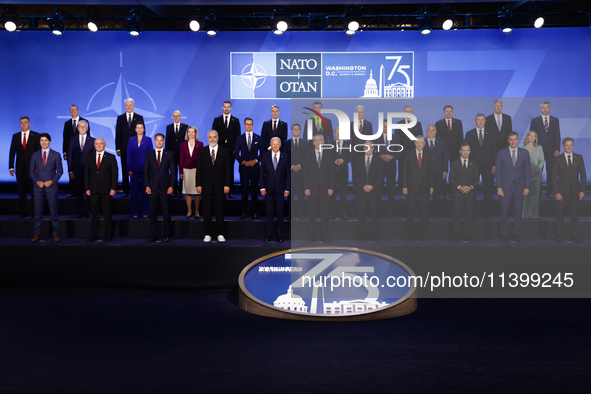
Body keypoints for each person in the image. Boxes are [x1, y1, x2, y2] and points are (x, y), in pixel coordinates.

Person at [196, 130, 233, 243]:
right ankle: (207, 233)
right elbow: (199, 170)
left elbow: (228, 169)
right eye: (210, 137)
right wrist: (198, 184)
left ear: (217, 138)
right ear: (207, 138)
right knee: (206, 211)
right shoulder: (202, 151)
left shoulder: (224, 151)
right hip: (206, 187)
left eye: (214, 137)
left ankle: (220, 233)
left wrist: (227, 184)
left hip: (220, 187)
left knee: (220, 211)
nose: (212, 139)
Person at [495, 132, 531, 243]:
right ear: (508, 140)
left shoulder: (524, 153)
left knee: (518, 213)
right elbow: (498, 172)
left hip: (519, 187)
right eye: (511, 139)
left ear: (518, 139)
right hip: (505, 187)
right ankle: (504, 234)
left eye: (515, 139)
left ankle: (517, 234)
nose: (513, 141)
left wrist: (527, 187)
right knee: (504, 212)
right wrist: (499, 187)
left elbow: (528, 171)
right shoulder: (501, 153)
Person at [29, 133, 63, 242]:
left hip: (51, 187)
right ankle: (37, 234)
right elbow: (31, 171)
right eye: (41, 140)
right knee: (38, 212)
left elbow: (60, 171)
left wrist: (52, 181)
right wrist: (36, 181)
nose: (43, 142)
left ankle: (55, 234)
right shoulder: (35, 155)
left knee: (54, 212)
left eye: (46, 140)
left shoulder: (56, 155)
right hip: (38, 187)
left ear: (50, 142)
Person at [303, 133, 336, 243]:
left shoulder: (329, 155)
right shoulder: (308, 155)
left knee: (324, 214)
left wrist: (331, 187)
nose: (317, 142)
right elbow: (305, 173)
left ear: (323, 141)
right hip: (311, 189)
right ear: (313, 142)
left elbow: (332, 173)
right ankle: (311, 235)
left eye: (319, 140)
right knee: (312, 214)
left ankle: (324, 235)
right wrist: (306, 187)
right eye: (315, 140)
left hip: (325, 189)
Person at [553, 138, 586, 243]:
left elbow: (583, 175)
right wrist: (556, 192)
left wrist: (582, 190)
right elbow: (553, 177)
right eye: (567, 145)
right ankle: (559, 235)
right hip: (561, 190)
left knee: (574, 213)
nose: (569, 147)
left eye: (571, 145)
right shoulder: (558, 159)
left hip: (575, 190)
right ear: (563, 146)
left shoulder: (579, 157)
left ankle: (574, 235)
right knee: (560, 213)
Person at [401, 136, 433, 241]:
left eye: (421, 143)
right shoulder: (408, 154)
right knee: (410, 211)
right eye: (417, 142)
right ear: (414, 143)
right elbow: (404, 171)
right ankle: (410, 234)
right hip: (411, 187)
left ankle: (423, 234)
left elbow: (431, 172)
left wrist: (431, 186)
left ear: (425, 143)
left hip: (425, 186)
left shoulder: (428, 154)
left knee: (424, 212)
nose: (419, 145)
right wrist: (404, 186)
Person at [85, 138, 118, 242]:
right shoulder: (89, 158)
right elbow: (86, 174)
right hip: (93, 190)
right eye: (97, 144)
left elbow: (115, 174)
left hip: (107, 190)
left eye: (101, 144)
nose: (99, 146)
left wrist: (113, 188)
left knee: (107, 214)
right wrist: (87, 188)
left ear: (105, 145)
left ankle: (107, 235)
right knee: (94, 214)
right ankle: (93, 235)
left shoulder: (111, 157)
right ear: (94, 145)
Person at [464, 114, 497, 218]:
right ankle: (471, 213)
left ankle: (487, 213)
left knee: (488, 190)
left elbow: (494, 150)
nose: (480, 122)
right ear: (475, 121)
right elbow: (466, 151)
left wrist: (494, 164)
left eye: (482, 120)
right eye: (478, 120)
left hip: (488, 165)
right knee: (472, 189)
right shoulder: (469, 134)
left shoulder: (491, 133)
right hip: (473, 166)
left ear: (485, 121)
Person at [144, 133, 175, 243]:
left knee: (166, 212)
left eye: (161, 140)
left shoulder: (169, 154)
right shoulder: (149, 154)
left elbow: (173, 172)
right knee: (152, 212)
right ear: (154, 141)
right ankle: (154, 234)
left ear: (164, 141)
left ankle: (166, 234)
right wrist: (147, 185)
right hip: (152, 188)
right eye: (157, 140)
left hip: (165, 187)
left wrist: (171, 186)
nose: (159, 142)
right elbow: (145, 172)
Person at [259, 137, 290, 242]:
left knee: (281, 213)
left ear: (280, 145)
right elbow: (261, 173)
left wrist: (287, 189)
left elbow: (288, 175)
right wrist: (262, 187)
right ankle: (269, 234)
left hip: (281, 190)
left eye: (277, 144)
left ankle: (280, 235)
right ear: (270, 145)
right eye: (273, 144)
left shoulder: (285, 157)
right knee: (269, 213)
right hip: (268, 189)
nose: (275, 146)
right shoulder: (265, 156)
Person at [9, 116, 41, 218]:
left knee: (33, 191)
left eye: (25, 122)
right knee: (21, 191)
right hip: (20, 169)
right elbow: (12, 152)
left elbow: (39, 153)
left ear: (29, 124)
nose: (23, 124)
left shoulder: (36, 136)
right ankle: (23, 211)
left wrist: (38, 167)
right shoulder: (15, 136)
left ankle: (33, 212)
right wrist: (11, 167)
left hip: (32, 169)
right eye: (21, 122)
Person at [234, 118, 264, 219]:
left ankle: (255, 212)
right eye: (247, 124)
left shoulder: (258, 138)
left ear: (253, 125)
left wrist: (255, 161)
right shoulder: (239, 138)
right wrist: (243, 161)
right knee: (244, 190)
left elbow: (263, 153)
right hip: (244, 168)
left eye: (250, 124)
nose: (248, 126)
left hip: (255, 168)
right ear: (244, 125)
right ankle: (244, 211)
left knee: (255, 191)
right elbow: (236, 153)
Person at [530, 101, 561, 199]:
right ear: (540, 109)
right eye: (543, 108)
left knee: (551, 171)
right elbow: (532, 135)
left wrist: (557, 148)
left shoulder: (555, 120)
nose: (545, 109)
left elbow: (557, 135)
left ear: (550, 108)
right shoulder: (535, 120)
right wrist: (532, 148)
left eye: (547, 107)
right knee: (538, 171)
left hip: (552, 150)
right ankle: (537, 193)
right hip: (538, 150)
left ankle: (550, 192)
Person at [449, 143, 479, 242]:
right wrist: (459, 187)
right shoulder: (454, 163)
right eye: (463, 150)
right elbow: (451, 178)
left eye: (467, 150)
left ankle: (468, 235)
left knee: (469, 215)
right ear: (460, 151)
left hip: (470, 194)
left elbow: (476, 179)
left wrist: (470, 187)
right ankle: (456, 236)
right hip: (457, 194)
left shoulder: (474, 164)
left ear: (470, 151)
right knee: (457, 215)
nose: (465, 152)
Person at [353, 141, 382, 241]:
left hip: (374, 192)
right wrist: (363, 186)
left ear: (373, 148)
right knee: (362, 215)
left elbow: (380, 177)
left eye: (370, 147)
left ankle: (374, 235)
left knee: (375, 215)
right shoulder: (358, 160)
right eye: (366, 147)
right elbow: (355, 176)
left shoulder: (379, 160)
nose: (368, 149)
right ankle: (362, 235)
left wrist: (372, 186)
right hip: (362, 192)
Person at [115, 98, 144, 197]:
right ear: (125, 106)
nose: (129, 107)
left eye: (130, 105)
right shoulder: (120, 118)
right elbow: (118, 134)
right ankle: (126, 190)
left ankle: (136, 189)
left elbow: (143, 133)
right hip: (124, 148)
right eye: (127, 105)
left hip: (137, 148)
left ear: (133, 105)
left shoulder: (139, 117)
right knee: (125, 168)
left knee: (136, 168)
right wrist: (118, 148)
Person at [211, 100, 240, 199]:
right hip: (219, 149)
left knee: (230, 169)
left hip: (231, 150)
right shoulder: (217, 120)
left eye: (228, 107)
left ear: (230, 108)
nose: (226, 108)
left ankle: (230, 191)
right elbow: (213, 135)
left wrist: (236, 150)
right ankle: (219, 189)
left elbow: (238, 137)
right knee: (219, 169)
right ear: (222, 108)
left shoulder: (235, 120)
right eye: (225, 106)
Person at [68, 120, 95, 218]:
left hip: (89, 171)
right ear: (78, 128)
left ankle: (88, 211)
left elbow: (94, 156)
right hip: (76, 170)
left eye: (84, 126)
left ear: (87, 129)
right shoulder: (72, 140)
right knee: (78, 191)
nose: (82, 128)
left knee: (89, 191)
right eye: (80, 126)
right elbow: (70, 156)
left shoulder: (92, 140)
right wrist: (70, 170)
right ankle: (79, 211)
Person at [435, 105, 463, 198]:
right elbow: (436, 139)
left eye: (450, 111)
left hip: (455, 151)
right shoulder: (438, 123)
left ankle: (453, 192)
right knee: (443, 171)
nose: (448, 113)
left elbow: (460, 137)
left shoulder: (458, 122)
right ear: (443, 112)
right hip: (442, 151)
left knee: (454, 172)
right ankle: (443, 192)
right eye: (447, 111)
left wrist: (460, 151)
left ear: (453, 112)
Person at [396, 106, 422, 201]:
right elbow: (396, 140)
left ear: (412, 112)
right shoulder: (399, 124)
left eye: (410, 111)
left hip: (415, 153)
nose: (408, 113)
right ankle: (401, 192)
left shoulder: (418, 124)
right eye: (406, 111)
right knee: (402, 172)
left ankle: (416, 191)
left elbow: (420, 139)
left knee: (415, 172)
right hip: (402, 154)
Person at [62, 104, 89, 198]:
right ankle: (73, 191)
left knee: (85, 172)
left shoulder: (85, 122)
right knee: (72, 171)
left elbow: (88, 138)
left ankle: (86, 190)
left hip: (83, 152)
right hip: (71, 151)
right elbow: (65, 138)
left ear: (78, 111)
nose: (73, 112)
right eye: (71, 110)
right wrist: (65, 151)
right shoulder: (67, 123)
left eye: (75, 110)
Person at [127, 123, 153, 218]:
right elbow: (128, 155)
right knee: (134, 192)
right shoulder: (131, 140)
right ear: (135, 129)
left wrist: (150, 168)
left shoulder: (148, 140)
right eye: (137, 128)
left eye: (141, 128)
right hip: (134, 170)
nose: (139, 129)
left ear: (144, 129)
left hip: (146, 169)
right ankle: (135, 212)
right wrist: (129, 168)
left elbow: (151, 155)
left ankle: (145, 211)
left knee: (146, 191)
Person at [378, 119, 402, 218]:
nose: (386, 129)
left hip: (391, 166)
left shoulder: (396, 138)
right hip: (379, 167)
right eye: (384, 126)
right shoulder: (377, 138)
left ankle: (390, 213)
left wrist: (393, 157)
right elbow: (372, 151)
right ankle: (377, 212)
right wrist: (381, 156)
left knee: (391, 191)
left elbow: (400, 152)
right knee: (378, 190)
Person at [425, 124, 449, 219]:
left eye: (433, 130)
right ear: (426, 132)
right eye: (429, 130)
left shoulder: (442, 143)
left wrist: (445, 170)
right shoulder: (422, 142)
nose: (431, 132)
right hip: (425, 173)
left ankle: (436, 213)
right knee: (425, 195)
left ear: (436, 131)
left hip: (438, 172)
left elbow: (445, 158)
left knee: (437, 194)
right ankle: (425, 213)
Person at [180, 126, 204, 219]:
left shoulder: (200, 144)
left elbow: (202, 159)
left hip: (197, 170)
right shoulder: (183, 144)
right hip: (186, 170)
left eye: (192, 132)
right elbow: (181, 158)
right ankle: (189, 210)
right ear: (187, 133)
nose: (190, 133)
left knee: (197, 192)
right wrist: (181, 171)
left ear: (195, 133)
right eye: (189, 132)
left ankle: (196, 210)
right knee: (187, 191)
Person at [285, 123, 307, 220]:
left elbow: (307, 157)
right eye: (294, 129)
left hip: (302, 172)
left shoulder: (305, 143)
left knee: (301, 194)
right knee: (290, 194)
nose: (296, 131)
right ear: (291, 131)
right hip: (290, 172)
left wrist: (300, 166)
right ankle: (290, 213)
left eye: (298, 129)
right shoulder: (286, 143)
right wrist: (292, 166)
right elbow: (285, 157)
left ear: (300, 131)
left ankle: (301, 214)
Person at [165, 110, 188, 197]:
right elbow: (167, 141)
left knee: (182, 173)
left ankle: (182, 191)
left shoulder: (185, 127)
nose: (176, 117)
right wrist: (166, 154)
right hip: (172, 154)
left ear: (180, 116)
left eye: (177, 116)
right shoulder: (169, 127)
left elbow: (187, 141)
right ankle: (173, 191)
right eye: (174, 116)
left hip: (183, 154)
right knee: (173, 172)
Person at [522, 131, 545, 219]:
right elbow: (521, 162)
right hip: (525, 175)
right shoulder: (522, 148)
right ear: (527, 137)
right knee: (525, 196)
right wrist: (528, 172)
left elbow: (541, 161)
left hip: (537, 175)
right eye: (530, 135)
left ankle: (534, 215)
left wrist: (536, 170)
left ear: (536, 138)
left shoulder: (539, 148)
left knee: (535, 197)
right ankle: (524, 215)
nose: (532, 137)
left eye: (534, 136)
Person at [331, 127, 352, 220]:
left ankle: (344, 213)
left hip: (343, 173)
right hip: (332, 173)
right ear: (334, 133)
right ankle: (332, 214)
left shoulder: (348, 144)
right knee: (332, 195)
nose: (338, 135)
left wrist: (344, 160)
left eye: (340, 133)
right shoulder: (330, 144)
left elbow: (352, 156)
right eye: (336, 133)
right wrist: (335, 161)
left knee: (343, 195)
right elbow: (327, 156)